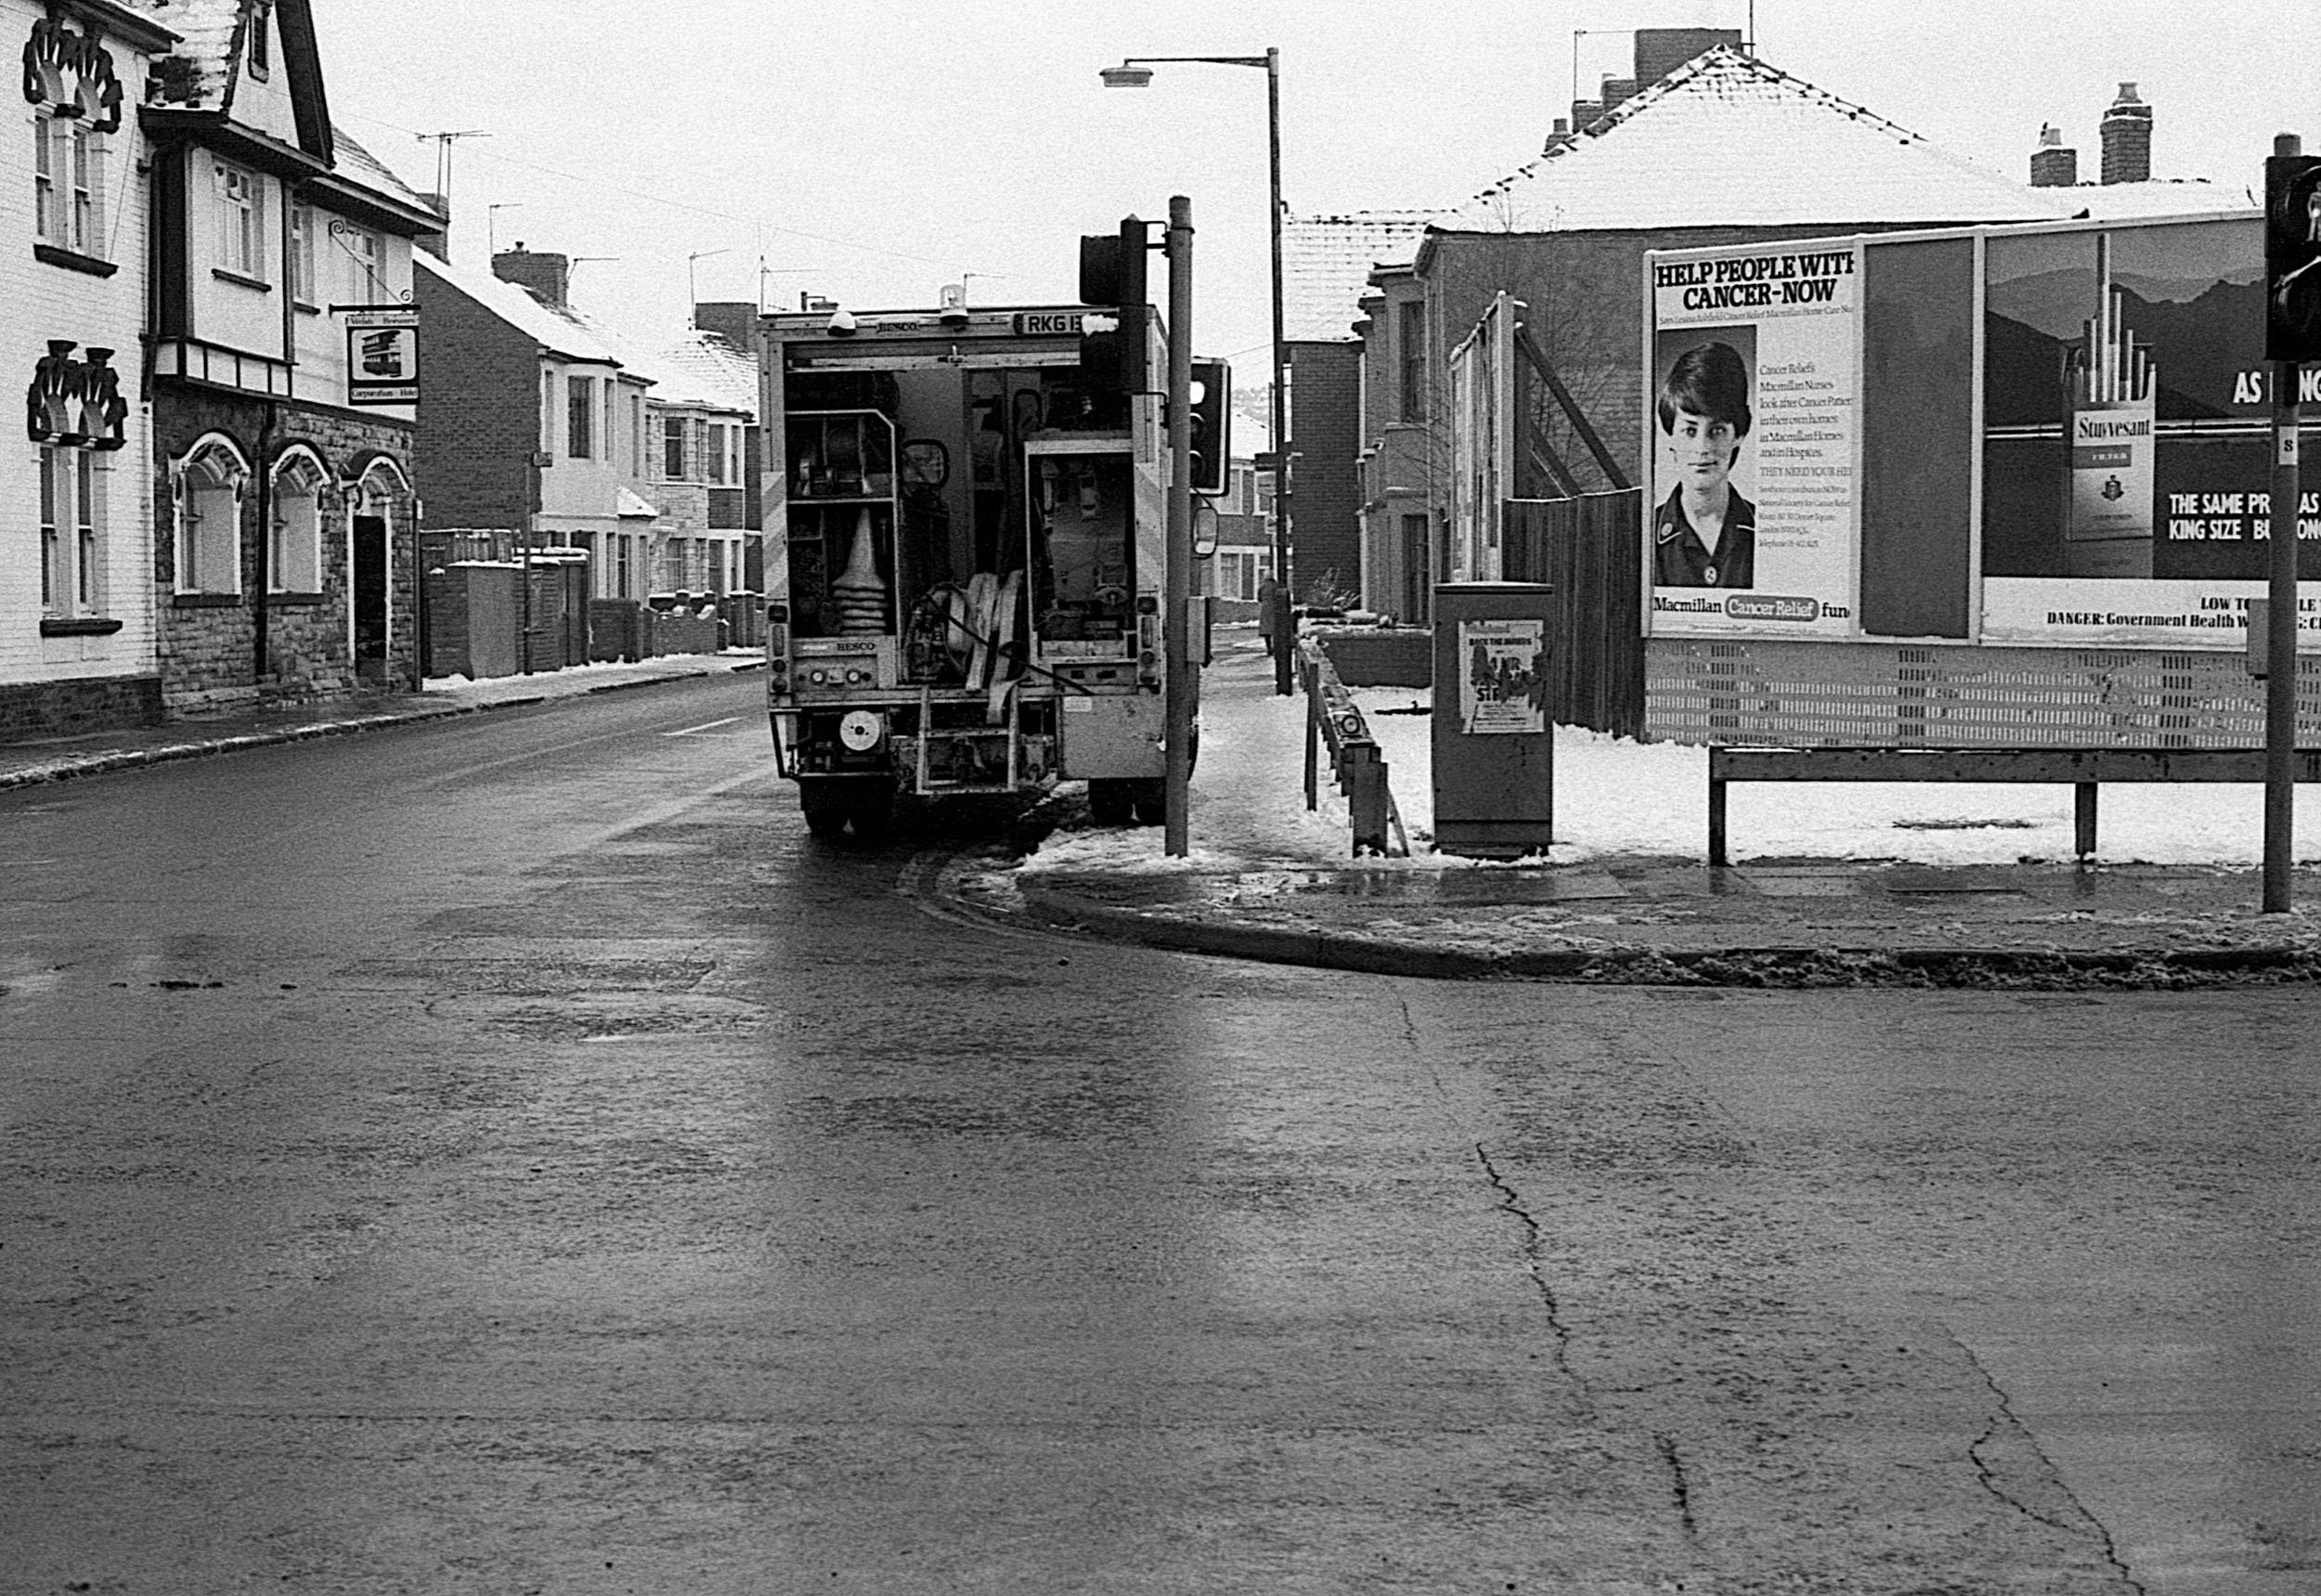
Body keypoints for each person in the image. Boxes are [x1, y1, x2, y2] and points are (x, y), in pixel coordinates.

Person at [1653, 341, 1757, 589]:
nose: (1702, 448)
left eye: (1717, 430)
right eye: (1689, 430)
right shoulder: (1642, 535)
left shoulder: (1770, 529)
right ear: (1669, 435)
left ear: (1739, 434)